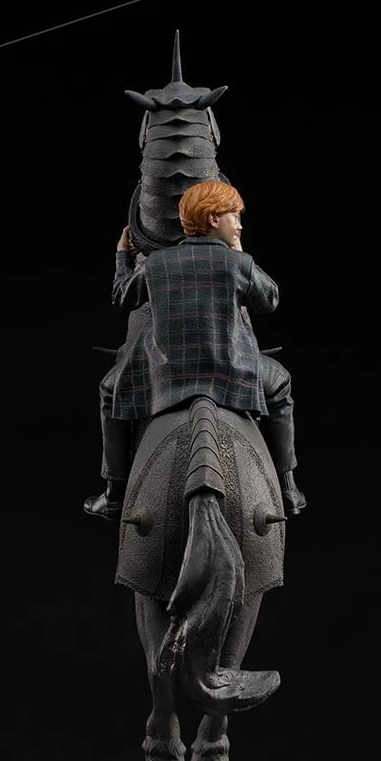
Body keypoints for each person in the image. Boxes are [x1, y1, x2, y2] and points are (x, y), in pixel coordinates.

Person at [84, 179, 306, 521]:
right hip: (232, 374)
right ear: (214, 219)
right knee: (281, 385)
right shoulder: (238, 264)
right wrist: (239, 254)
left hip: (165, 375)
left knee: (108, 392)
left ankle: (114, 495)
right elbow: (269, 300)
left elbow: (121, 297)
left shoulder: (157, 264)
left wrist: (122, 257)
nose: (240, 225)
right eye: (235, 216)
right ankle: (288, 489)